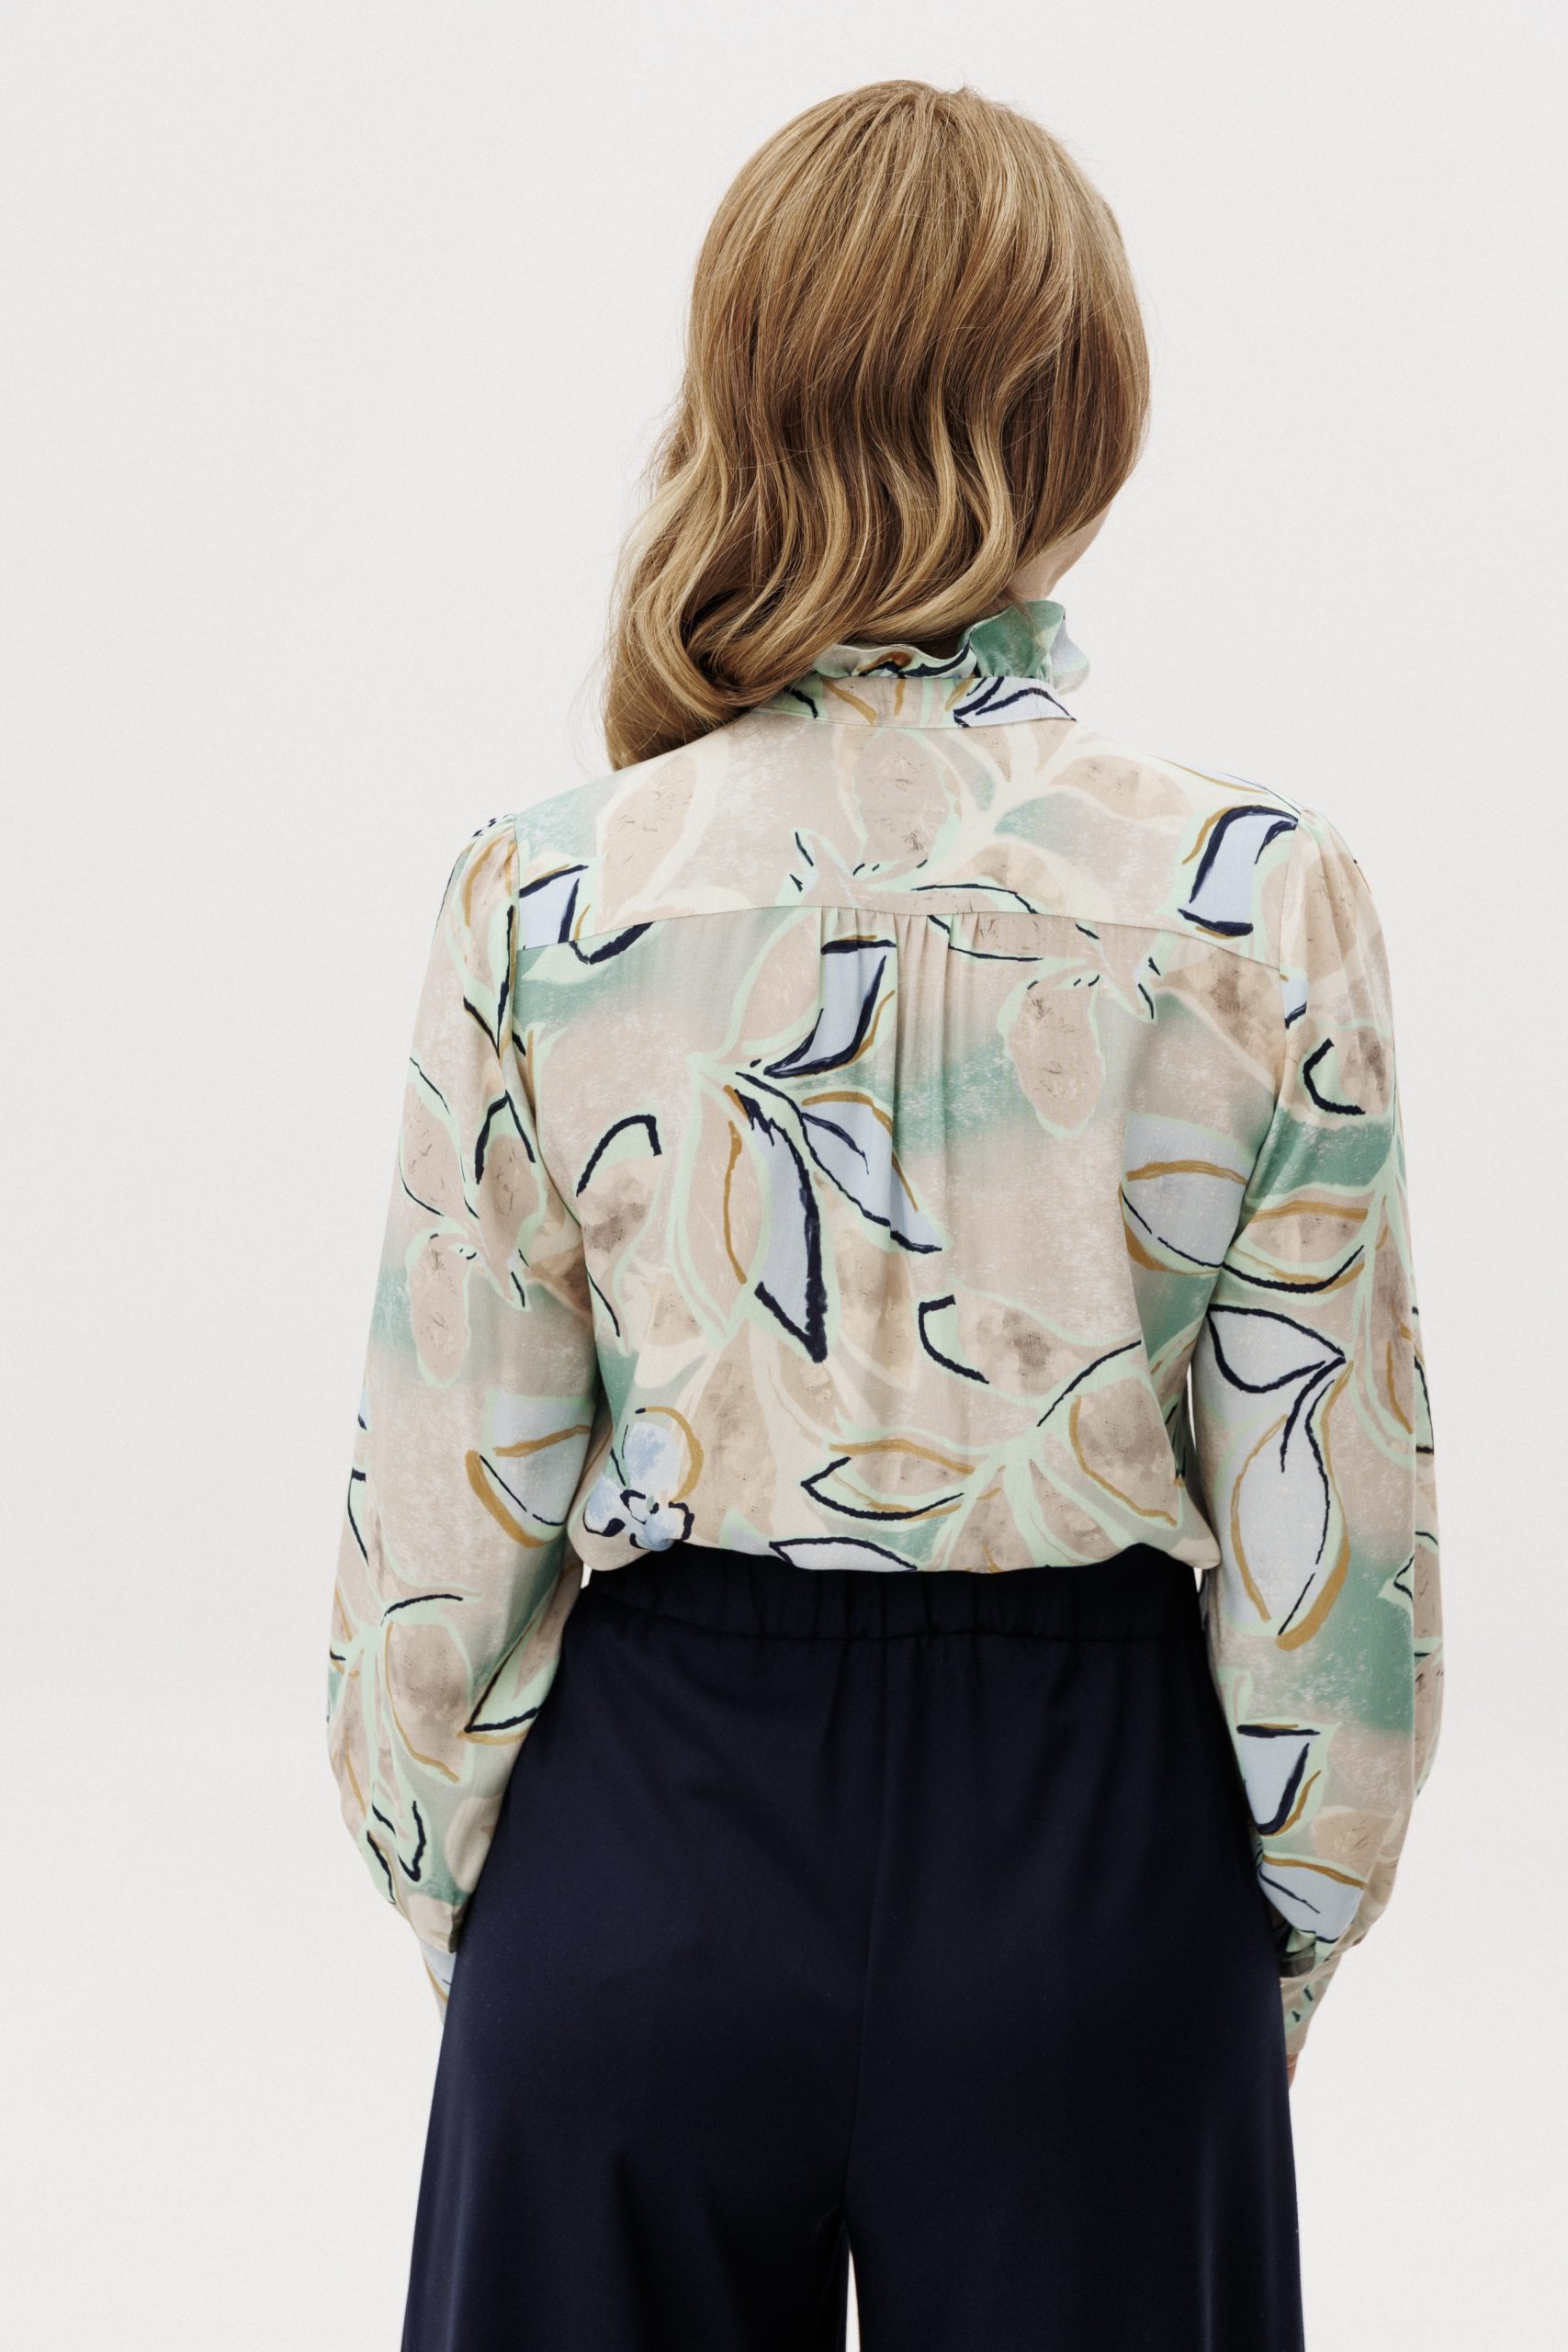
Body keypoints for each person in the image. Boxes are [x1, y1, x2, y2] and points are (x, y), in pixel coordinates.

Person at [325, 77, 1442, 2352]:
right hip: (1093, 1846)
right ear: (1085, 417)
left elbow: (435, 1546)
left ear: (741, 386)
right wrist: (1229, 1949)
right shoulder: (1252, 894)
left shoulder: (547, 893)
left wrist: (531, 1923)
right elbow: (1335, 1552)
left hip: (646, 1827)